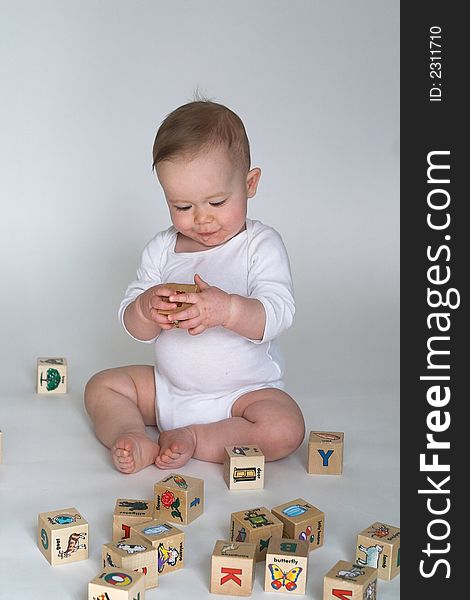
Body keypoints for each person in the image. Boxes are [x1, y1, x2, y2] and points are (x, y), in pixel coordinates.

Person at [84, 100, 305, 473]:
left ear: (249, 184)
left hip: (242, 396)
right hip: (168, 390)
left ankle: (197, 438)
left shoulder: (260, 245)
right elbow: (133, 325)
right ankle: (132, 434)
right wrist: (145, 309)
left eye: (217, 202)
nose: (201, 219)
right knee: (101, 386)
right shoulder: (161, 249)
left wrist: (228, 310)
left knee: (286, 427)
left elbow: (278, 313)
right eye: (182, 206)